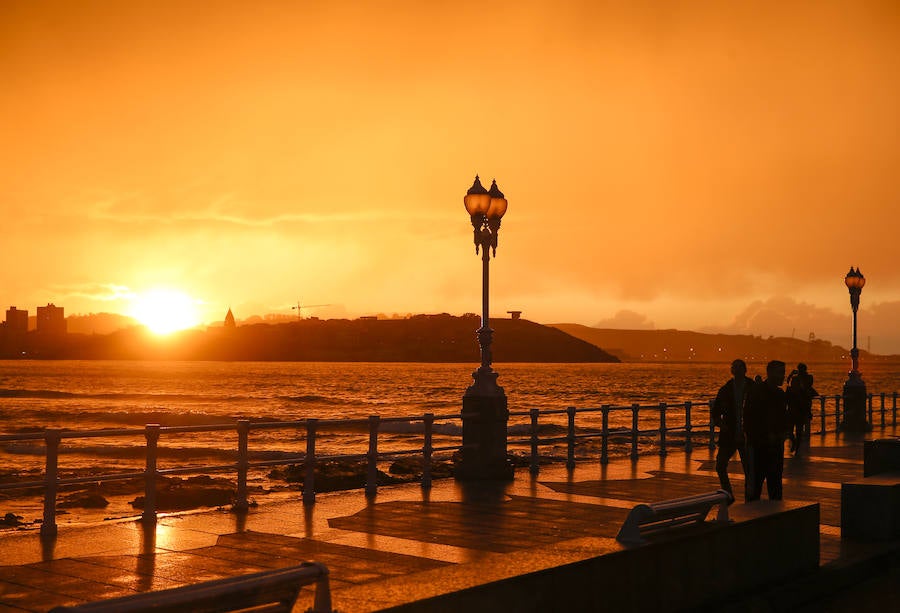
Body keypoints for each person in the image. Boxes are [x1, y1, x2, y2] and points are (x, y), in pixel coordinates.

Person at [746, 360, 790, 501]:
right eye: (780, 373)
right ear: (770, 373)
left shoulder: (779, 394)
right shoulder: (757, 392)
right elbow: (749, 419)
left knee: (775, 483)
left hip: (775, 445)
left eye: (783, 372)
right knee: (756, 485)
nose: (783, 376)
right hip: (759, 446)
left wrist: (785, 433)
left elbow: (783, 418)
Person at [713, 359, 754, 502]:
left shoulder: (752, 388)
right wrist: (721, 424)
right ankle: (728, 493)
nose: (736, 370)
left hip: (748, 434)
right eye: (734, 367)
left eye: (739, 367)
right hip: (729, 434)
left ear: (745, 369)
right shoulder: (725, 389)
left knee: (749, 468)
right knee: (720, 465)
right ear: (732, 370)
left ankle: (750, 496)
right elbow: (715, 412)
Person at [786, 363, 816, 454]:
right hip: (793, 407)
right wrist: (791, 375)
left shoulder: (809, 377)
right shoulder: (795, 378)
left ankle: (797, 448)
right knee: (789, 430)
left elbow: (806, 388)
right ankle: (794, 442)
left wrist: (799, 380)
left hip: (802, 408)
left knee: (799, 430)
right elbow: (788, 384)